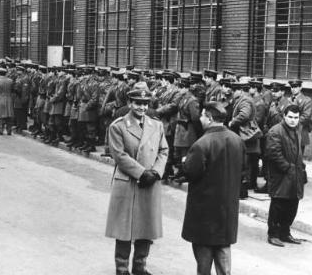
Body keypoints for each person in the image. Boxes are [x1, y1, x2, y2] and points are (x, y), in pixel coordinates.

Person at [105, 88, 168, 275]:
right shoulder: (118, 126)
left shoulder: (156, 125)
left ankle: (140, 266)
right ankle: (122, 268)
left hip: (150, 183)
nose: (142, 107)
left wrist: (156, 172)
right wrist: (142, 173)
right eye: (138, 103)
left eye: (145, 104)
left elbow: (164, 150)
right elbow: (119, 155)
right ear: (130, 104)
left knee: (146, 226)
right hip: (128, 181)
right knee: (124, 228)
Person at [182, 102, 246, 275]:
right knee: (223, 251)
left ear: (209, 118)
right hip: (227, 209)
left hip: (205, 211)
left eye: (202, 115)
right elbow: (243, 168)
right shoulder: (237, 140)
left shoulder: (202, 143)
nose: (200, 118)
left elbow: (191, 173)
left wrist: (184, 163)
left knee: (203, 256)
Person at [266, 104, 306, 246]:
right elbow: (273, 153)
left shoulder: (298, 130)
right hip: (281, 176)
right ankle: (273, 234)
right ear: (284, 116)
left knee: (292, 206)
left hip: (295, 175)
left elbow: (298, 152)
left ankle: (285, 232)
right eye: (290, 117)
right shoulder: (275, 131)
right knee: (278, 205)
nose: (293, 120)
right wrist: (288, 168)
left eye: (296, 117)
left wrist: (302, 168)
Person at [288, 80, 312, 155]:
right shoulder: (288, 99)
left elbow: (306, 116)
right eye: (292, 87)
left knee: (298, 157)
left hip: (300, 131)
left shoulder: (307, 100)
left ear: (300, 87)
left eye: (295, 87)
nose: (293, 89)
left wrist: (291, 122)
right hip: (288, 132)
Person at [0, 67, 14, 135]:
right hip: (9, 98)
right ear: (6, 73)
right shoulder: (10, 81)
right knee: (9, 115)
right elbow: (12, 90)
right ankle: (9, 130)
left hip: (0, 98)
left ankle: (0, 130)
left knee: (0, 115)